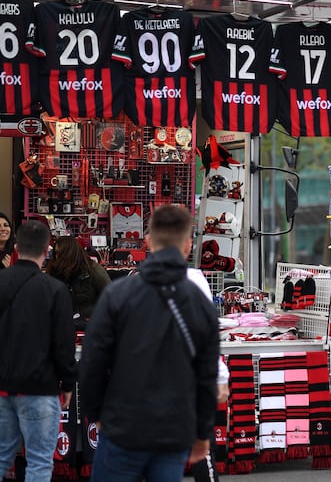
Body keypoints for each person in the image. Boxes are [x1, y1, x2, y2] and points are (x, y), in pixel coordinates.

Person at [79, 205, 220, 482]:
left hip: (123, 426)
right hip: (173, 429)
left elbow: (92, 361)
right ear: (188, 246)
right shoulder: (199, 302)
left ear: (148, 242)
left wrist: (96, 413)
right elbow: (206, 375)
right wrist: (203, 432)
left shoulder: (118, 295)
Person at [0, 220, 77, 482]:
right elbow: (64, 344)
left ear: (17, 247)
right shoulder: (54, 290)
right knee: (39, 463)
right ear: (47, 251)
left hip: (1, 387)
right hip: (40, 387)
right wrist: (68, 384)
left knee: (0, 458)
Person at [186, 267, 229, 482]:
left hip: (149, 383)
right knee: (202, 447)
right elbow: (208, 332)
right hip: (189, 378)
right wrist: (220, 376)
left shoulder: (131, 285)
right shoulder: (194, 279)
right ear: (187, 246)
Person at [46, 236, 112, 330]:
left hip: (91, 324)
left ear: (70, 253)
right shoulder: (53, 271)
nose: (57, 257)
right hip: (62, 325)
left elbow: (111, 298)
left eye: (61, 254)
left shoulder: (93, 270)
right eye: (55, 253)